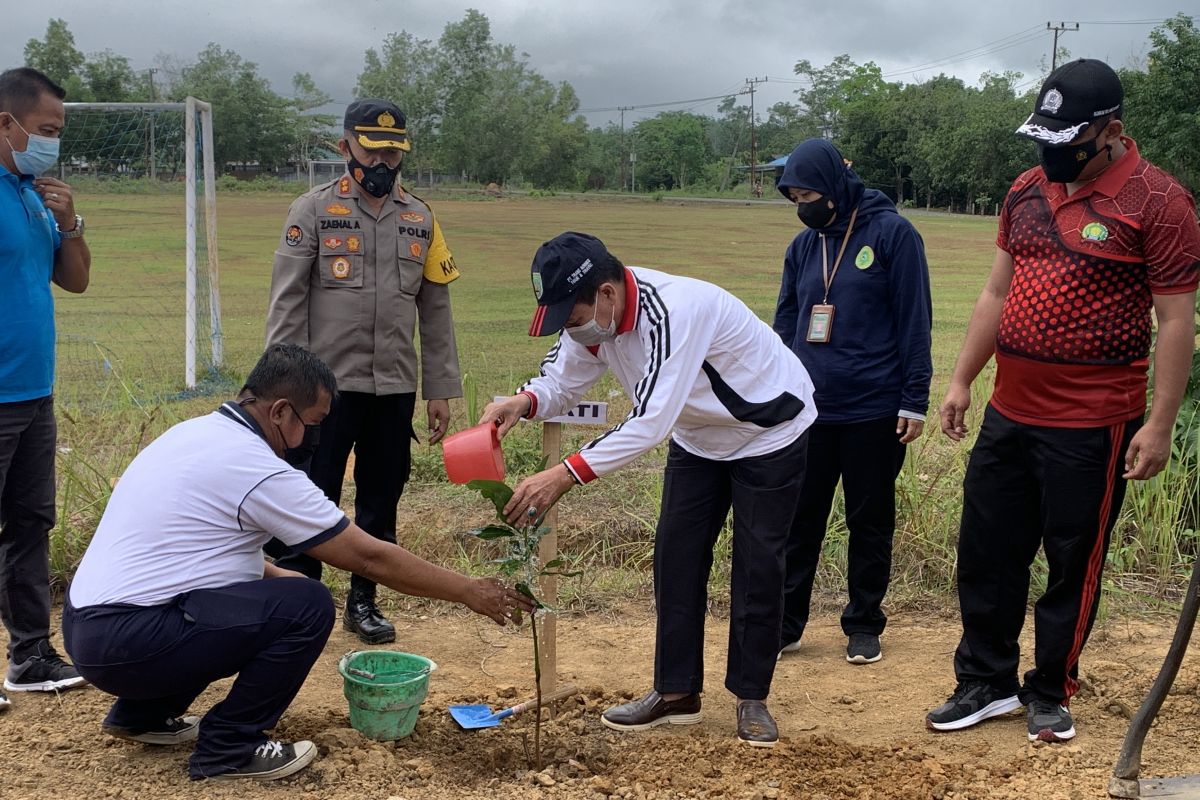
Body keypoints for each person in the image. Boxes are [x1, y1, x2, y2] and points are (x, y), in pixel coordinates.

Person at [62, 344, 533, 781]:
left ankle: (141, 716)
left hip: (91, 631)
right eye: (314, 422)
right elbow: (368, 556)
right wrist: (470, 590)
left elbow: (202, 551)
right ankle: (228, 748)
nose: (317, 436)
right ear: (280, 411)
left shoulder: (195, 433)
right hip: (129, 640)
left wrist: (273, 584)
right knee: (308, 605)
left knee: (283, 594)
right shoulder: (258, 467)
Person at [926, 59, 1200, 743]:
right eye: (1044, 136)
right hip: (1010, 410)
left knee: (1072, 563)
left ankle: (1050, 688)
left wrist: (1159, 424)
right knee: (987, 552)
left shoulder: (1158, 202)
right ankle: (984, 682)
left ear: (1111, 130)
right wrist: (962, 379)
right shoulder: (1025, 189)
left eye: (1068, 138)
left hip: (1093, 422)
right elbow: (996, 292)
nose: (1053, 152)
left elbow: (1176, 321)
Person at [481, 232, 816, 747]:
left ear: (607, 294)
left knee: (758, 564)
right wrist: (523, 402)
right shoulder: (596, 322)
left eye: (574, 319)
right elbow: (564, 381)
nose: (574, 332)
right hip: (699, 436)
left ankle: (752, 697)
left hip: (768, 429)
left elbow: (649, 422)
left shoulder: (676, 311)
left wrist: (564, 474)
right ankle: (676, 693)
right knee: (676, 557)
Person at [266, 98, 463, 645]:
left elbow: (436, 310)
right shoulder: (312, 211)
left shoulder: (421, 218)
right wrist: (282, 390)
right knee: (311, 493)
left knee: (381, 496)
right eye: (372, 148)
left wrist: (440, 389)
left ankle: (364, 601)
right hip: (322, 392)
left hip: (393, 388)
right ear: (345, 147)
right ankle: (296, 597)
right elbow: (287, 305)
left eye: (393, 151)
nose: (383, 161)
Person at [773, 139, 933, 665]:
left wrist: (914, 398)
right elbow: (785, 322)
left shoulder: (893, 235)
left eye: (810, 193)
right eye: (795, 197)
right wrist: (772, 390)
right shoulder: (803, 247)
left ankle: (864, 623)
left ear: (837, 186)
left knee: (869, 520)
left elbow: (915, 321)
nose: (804, 206)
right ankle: (787, 622)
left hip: (874, 408)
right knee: (800, 520)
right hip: (809, 412)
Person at [0, 66, 91, 711]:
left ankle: (30, 653)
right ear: (5, 123)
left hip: (34, 391)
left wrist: (73, 220)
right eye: (44, 131)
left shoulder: (33, 192)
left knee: (30, 522)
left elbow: (76, 280)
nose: (51, 145)